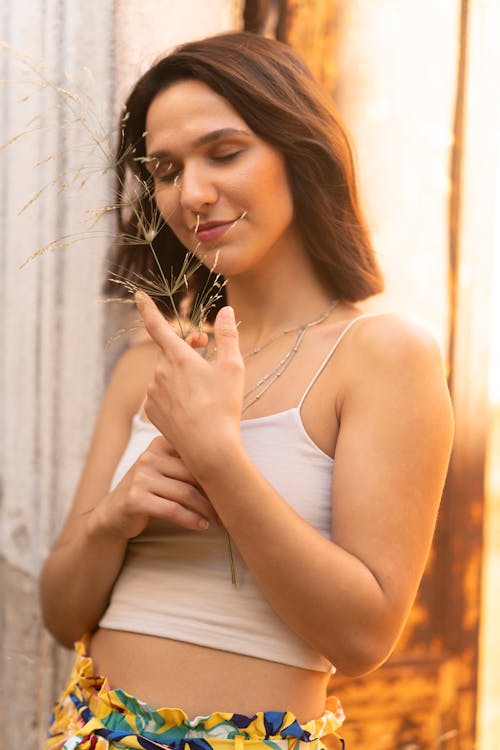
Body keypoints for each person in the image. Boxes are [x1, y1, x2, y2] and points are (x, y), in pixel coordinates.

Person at [40, 31, 454, 750]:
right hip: (92, 731)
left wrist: (218, 458)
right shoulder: (155, 365)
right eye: (166, 170)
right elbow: (59, 611)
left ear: (300, 150)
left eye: (224, 153)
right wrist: (116, 516)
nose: (192, 194)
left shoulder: (384, 356)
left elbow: (362, 637)